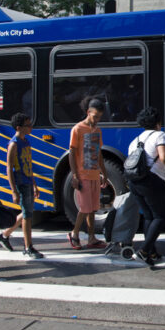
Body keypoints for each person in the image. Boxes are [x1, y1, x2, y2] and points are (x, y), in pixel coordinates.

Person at [127, 106, 165, 266]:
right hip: (152, 181)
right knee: (162, 216)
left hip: (135, 182)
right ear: (158, 122)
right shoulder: (160, 135)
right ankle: (144, 251)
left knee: (150, 216)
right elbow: (164, 157)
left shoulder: (135, 140)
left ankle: (152, 252)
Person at [0, 113, 43, 259]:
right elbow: (9, 168)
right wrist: (13, 190)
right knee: (27, 214)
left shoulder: (26, 142)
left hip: (28, 181)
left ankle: (4, 235)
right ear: (19, 127)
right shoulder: (14, 144)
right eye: (28, 125)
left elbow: (29, 164)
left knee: (27, 212)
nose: (31, 127)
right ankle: (28, 246)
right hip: (21, 182)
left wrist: (35, 184)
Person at [67, 95, 109, 250]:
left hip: (94, 174)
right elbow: (72, 153)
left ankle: (91, 238)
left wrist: (104, 173)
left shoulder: (97, 130)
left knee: (92, 208)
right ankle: (74, 234)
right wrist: (75, 175)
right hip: (83, 175)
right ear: (88, 112)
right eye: (95, 116)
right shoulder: (77, 129)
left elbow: (98, 154)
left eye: (99, 117)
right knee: (84, 208)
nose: (97, 119)